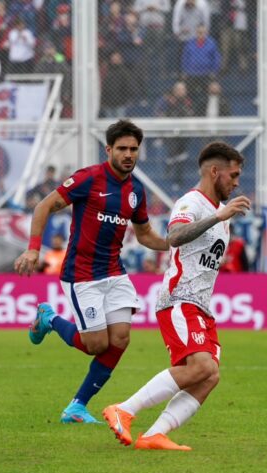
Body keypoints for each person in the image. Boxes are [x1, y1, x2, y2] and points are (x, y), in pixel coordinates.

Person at [13, 120, 169, 424]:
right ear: (108, 149)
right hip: (82, 273)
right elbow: (43, 207)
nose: (128, 154)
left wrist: (174, 245)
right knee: (96, 345)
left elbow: (146, 234)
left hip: (115, 271)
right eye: (122, 148)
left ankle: (76, 407)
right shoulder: (89, 178)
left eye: (133, 149)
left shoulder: (135, 190)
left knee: (120, 339)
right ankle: (49, 319)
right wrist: (33, 248)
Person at [102, 141, 251, 451]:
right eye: (233, 175)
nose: (236, 183)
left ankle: (156, 434)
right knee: (201, 368)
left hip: (201, 307)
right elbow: (174, 237)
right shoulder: (192, 203)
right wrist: (218, 217)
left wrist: (219, 217)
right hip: (179, 300)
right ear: (214, 171)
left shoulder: (217, 214)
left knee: (209, 376)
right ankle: (124, 409)